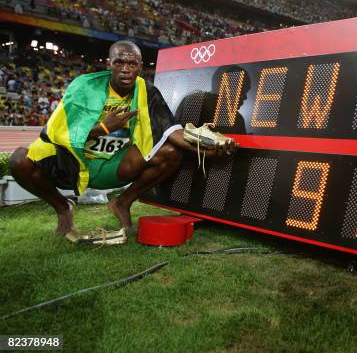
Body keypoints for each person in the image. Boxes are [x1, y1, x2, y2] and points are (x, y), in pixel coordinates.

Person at [9, 40, 235, 237]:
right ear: (109, 64)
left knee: (170, 153)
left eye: (132, 64)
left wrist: (205, 148)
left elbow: (170, 130)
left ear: (140, 66)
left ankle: (122, 203)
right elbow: (55, 131)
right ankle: (62, 207)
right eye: (119, 63)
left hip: (114, 164)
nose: (125, 69)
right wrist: (102, 128)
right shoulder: (84, 86)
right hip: (74, 163)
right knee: (19, 160)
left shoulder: (147, 91)